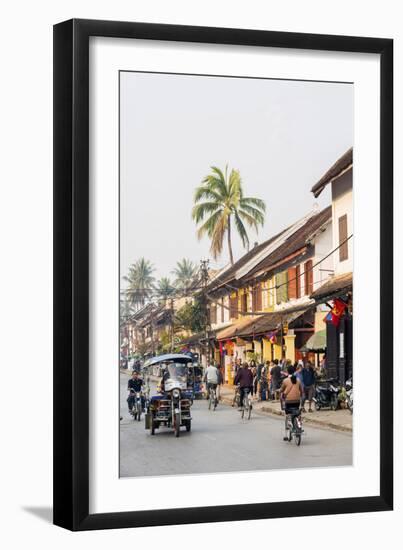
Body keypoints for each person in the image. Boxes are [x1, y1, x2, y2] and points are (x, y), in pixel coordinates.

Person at [280, 365, 304, 440]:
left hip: (289, 402)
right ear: (294, 371)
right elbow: (301, 391)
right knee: (297, 413)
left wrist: (279, 391)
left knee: (287, 415)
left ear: (287, 372)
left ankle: (286, 434)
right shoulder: (298, 380)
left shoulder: (285, 380)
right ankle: (298, 423)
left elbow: (281, 390)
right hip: (297, 401)